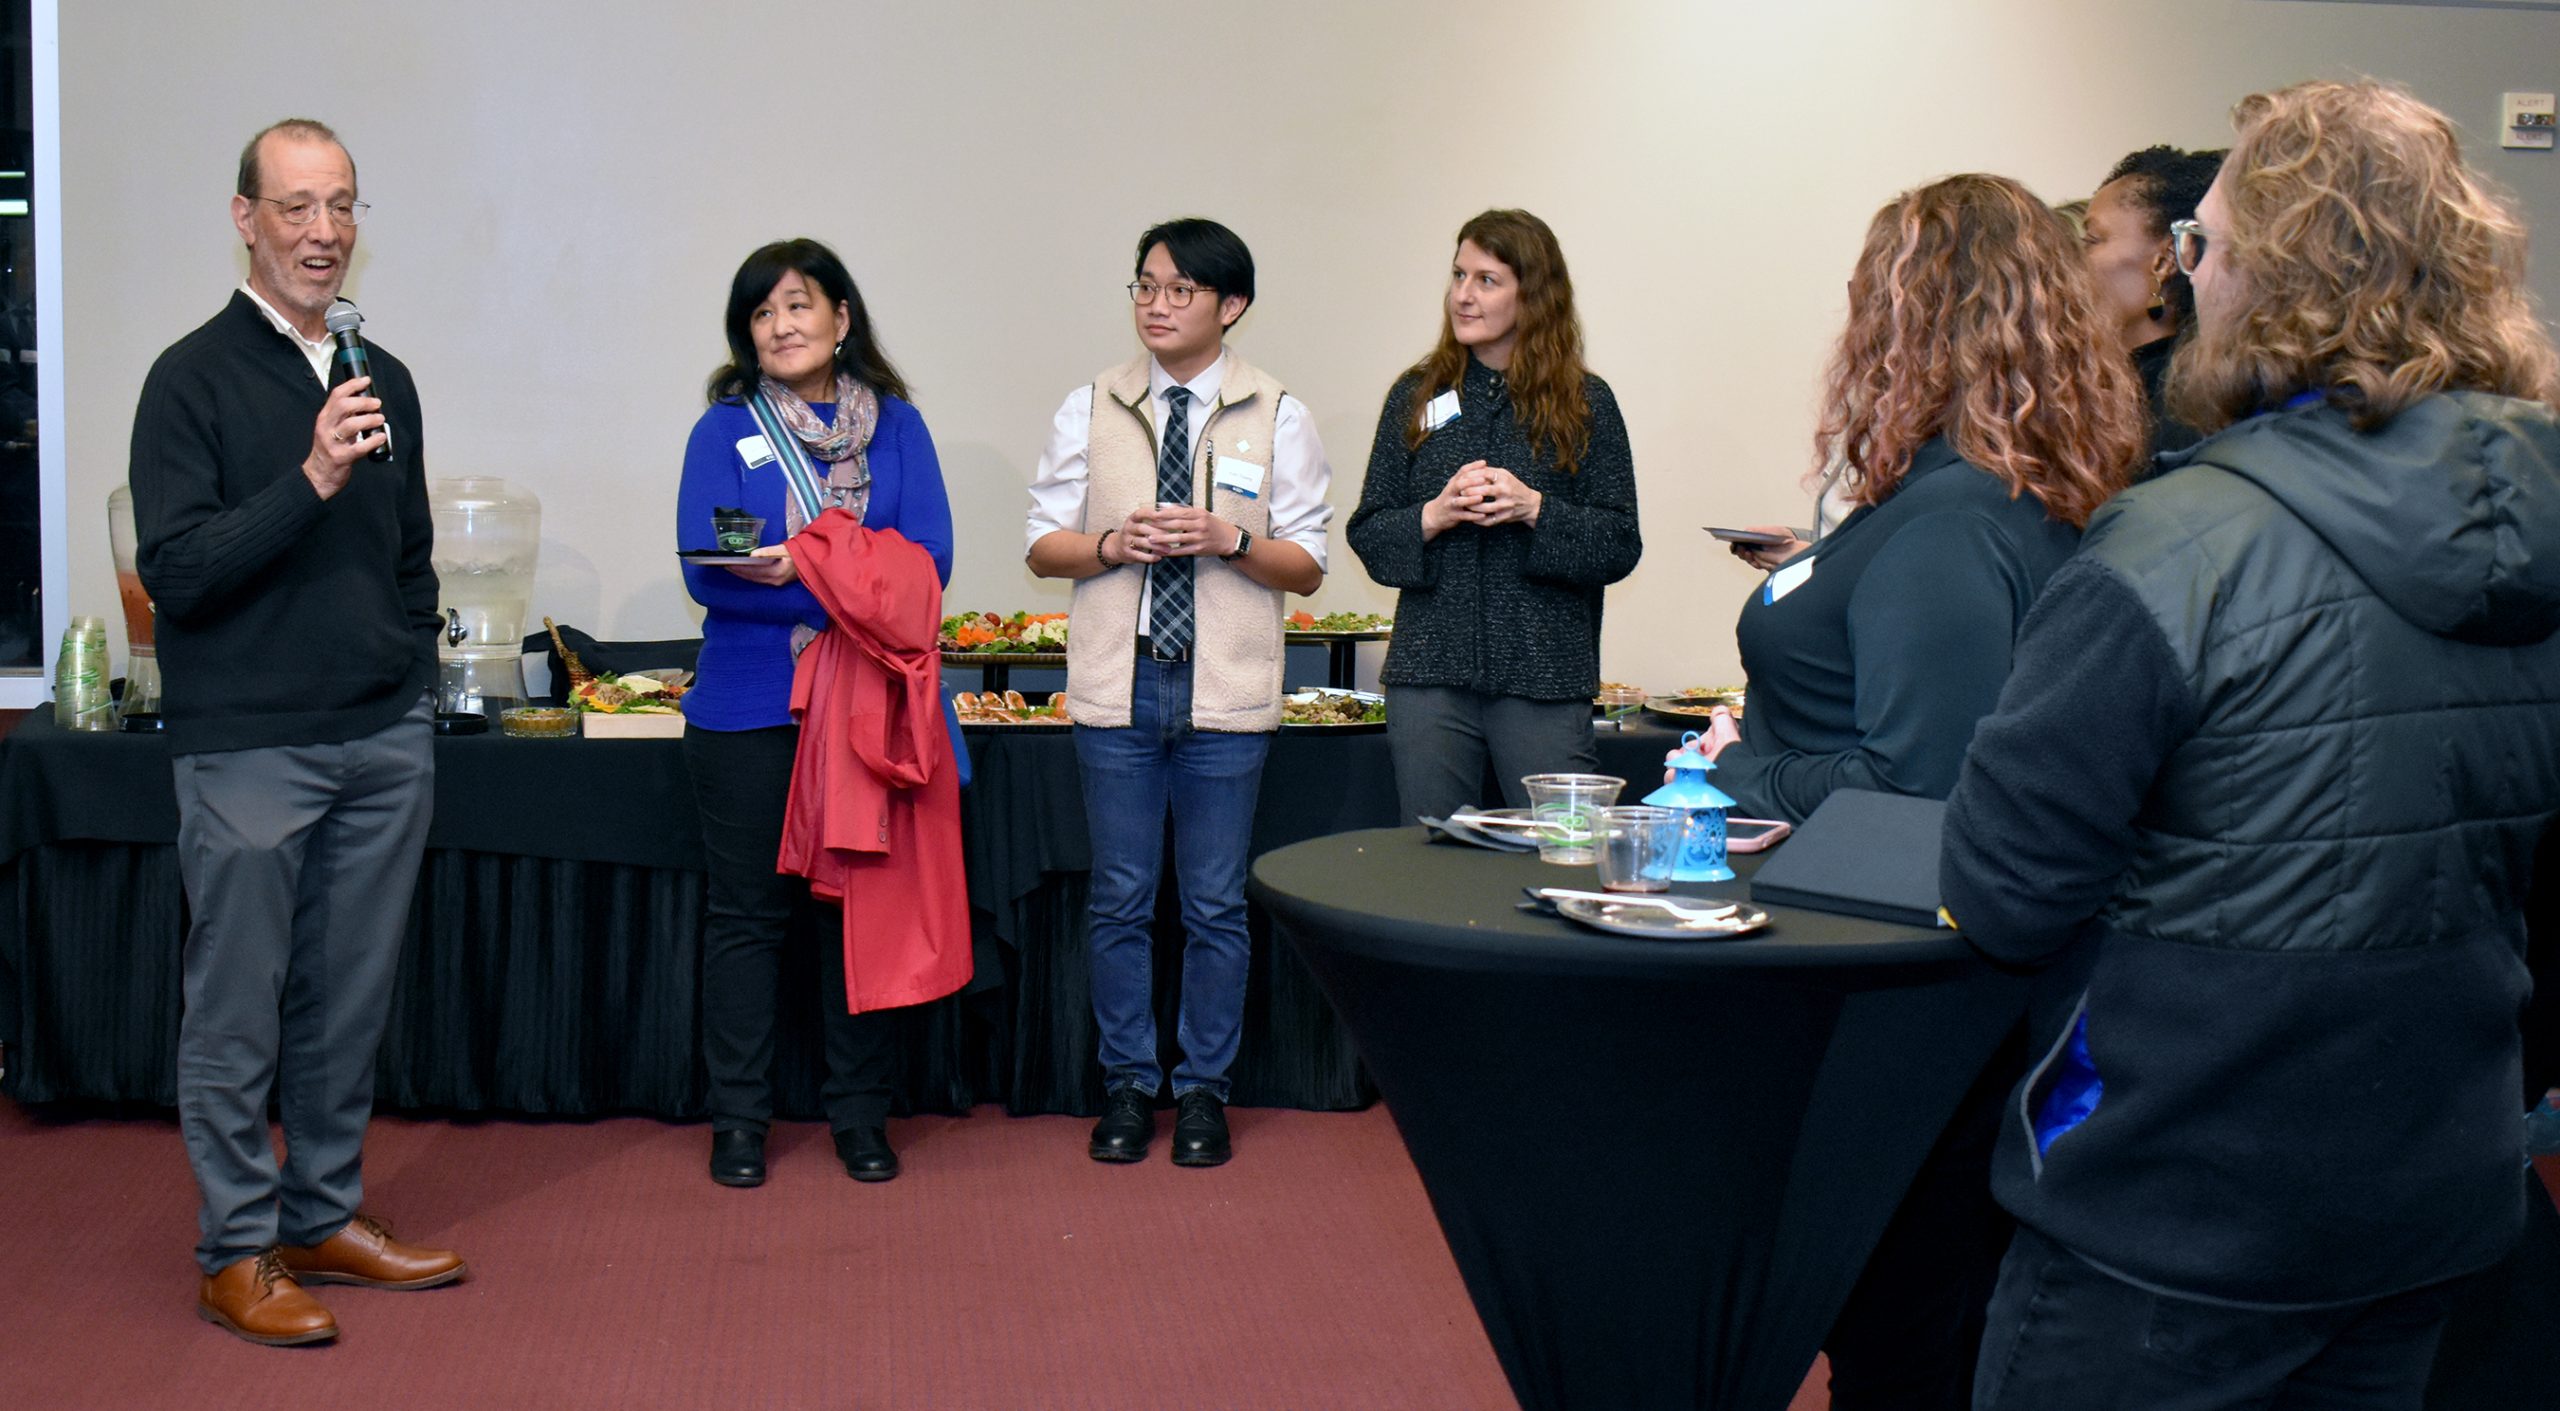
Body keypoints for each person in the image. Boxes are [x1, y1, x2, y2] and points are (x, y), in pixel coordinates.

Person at [1946, 80, 2560, 1411]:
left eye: (2203, 243)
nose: (2186, 271)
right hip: (2435, 1184)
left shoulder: (2175, 545)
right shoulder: (2539, 528)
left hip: (2181, 1200)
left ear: (2272, 278)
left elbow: (2004, 888)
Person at [1710, 173, 2147, 1411]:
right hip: (1963, 988)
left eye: (1868, 291)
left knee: (1904, 1326)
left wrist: (1738, 767)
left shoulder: (1951, 521)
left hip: (1901, 990)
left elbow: (1919, 788)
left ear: (1913, 314)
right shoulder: (2004, 496)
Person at [131, 118, 464, 1347]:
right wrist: (310, 480)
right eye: (296, 208)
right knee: (237, 1011)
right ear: (245, 218)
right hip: (248, 746)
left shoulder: (384, 379)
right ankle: (236, 1250)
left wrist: (409, 674)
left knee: (346, 1002)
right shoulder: (189, 379)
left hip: (380, 738)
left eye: (342, 207)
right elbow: (177, 572)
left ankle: (320, 1216)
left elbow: (410, 557)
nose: (324, 233)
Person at [1025, 218, 1333, 1167]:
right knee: (1119, 899)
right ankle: (1127, 1084)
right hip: (1119, 687)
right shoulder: (1091, 404)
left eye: (1180, 290)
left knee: (1214, 905)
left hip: (1225, 689)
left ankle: (1203, 1090)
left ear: (1231, 305)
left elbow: (1309, 563)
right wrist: (1110, 544)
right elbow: (1042, 546)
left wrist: (1230, 540)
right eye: (1145, 286)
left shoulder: (1278, 413)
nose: (1157, 306)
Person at [677, 239, 961, 1189]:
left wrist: (804, 566)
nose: (780, 325)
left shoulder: (899, 427)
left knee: (858, 914)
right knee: (746, 920)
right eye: (761, 313)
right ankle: (738, 1122)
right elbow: (712, 573)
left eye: (797, 305)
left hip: (867, 707)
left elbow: (930, 567)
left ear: (842, 318)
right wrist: (851, 578)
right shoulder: (724, 430)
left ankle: (860, 1115)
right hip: (748, 707)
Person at [1346, 209, 1641, 822]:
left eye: (1486, 280)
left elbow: (1619, 543)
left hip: (1544, 679)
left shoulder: (1585, 402)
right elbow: (1370, 535)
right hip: (1429, 678)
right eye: (1458, 275)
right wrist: (1433, 515)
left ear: (1532, 294)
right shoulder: (1416, 394)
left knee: (1560, 852)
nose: (1463, 295)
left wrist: (1536, 509)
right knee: (1433, 857)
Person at [2080, 145, 2224, 461]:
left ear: (2166, 261)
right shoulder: (2107, 387)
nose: (2074, 260)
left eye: (2091, 240)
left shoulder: (2184, 412)